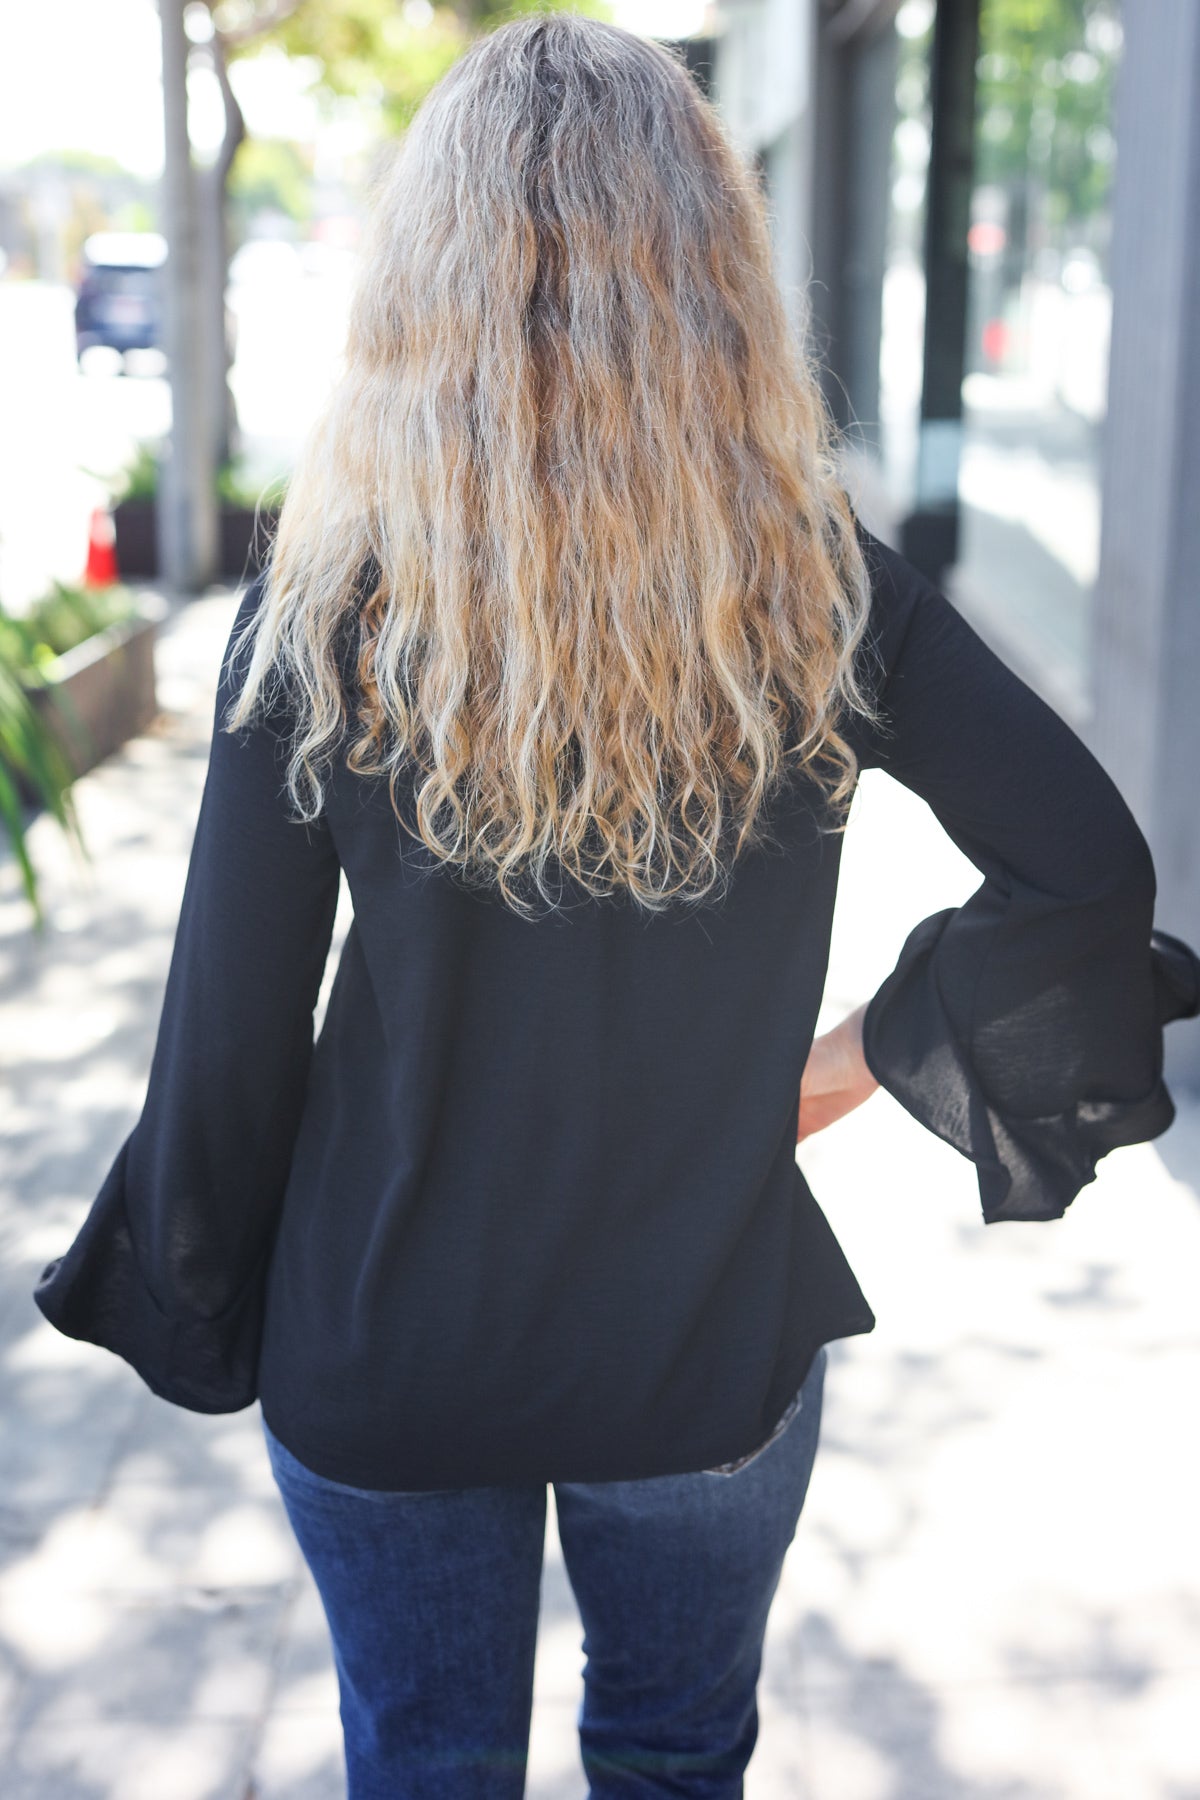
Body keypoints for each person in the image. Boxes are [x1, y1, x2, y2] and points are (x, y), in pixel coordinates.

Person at [33, 15, 1200, 1800]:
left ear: (423, 288)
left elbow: (228, 1035)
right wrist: (843, 1072)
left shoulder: (330, 612)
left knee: (423, 1769)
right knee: (672, 1765)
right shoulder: (817, 592)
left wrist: (194, 1289)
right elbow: (1088, 873)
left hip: (388, 1341)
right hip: (701, 1333)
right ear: (715, 274)